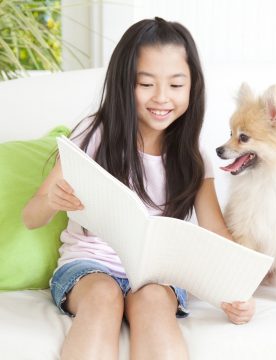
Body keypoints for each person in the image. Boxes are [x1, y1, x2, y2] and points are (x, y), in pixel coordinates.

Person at [23, 17, 255, 360]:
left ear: (193, 87)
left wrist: (237, 289)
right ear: (124, 83)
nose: (161, 97)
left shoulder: (192, 157)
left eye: (176, 86)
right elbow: (31, 216)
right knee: (103, 296)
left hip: (157, 275)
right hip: (88, 267)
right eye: (146, 84)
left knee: (153, 302)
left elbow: (215, 230)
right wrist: (52, 201)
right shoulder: (93, 134)